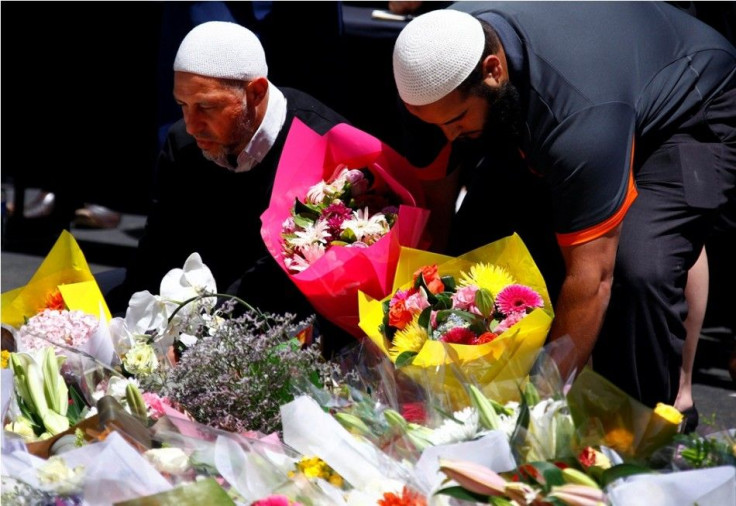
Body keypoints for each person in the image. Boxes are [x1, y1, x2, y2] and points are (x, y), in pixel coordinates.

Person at [391, 4, 736, 416]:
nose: (450, 135)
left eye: (458, 119)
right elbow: (438, 193)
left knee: (639, 268)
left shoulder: (577, 118)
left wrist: (534, 405)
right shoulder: (432, 69)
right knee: (483, 245)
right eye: (436, 124)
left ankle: (638, 429)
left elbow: (593, 281)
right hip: (596, 92)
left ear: (493, 70)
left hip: (690, 104)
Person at [107, 21, 350, 353]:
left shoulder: (322, 144)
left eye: (206, 107)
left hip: (284, 325)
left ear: (255, 93)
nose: (191, 125)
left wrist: (203, 344)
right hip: (195, 303)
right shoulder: (183, 143)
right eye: (182, 105)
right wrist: (119, 328)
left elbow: (283, 283)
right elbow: (157, 246)